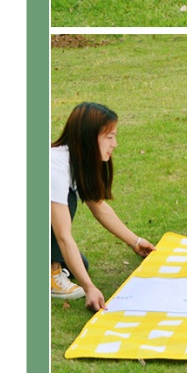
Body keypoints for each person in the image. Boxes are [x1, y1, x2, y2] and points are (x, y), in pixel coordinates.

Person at [51, 102, 155, 311]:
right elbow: (62, 236)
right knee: (68, 201)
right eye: (109, 137)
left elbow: (99, 207)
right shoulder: (55, 166)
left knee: (81, 265)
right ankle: (50, 273)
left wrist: (135, 242)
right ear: (88, 138)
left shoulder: (78, 160)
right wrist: (89, 287)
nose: (114, 144)